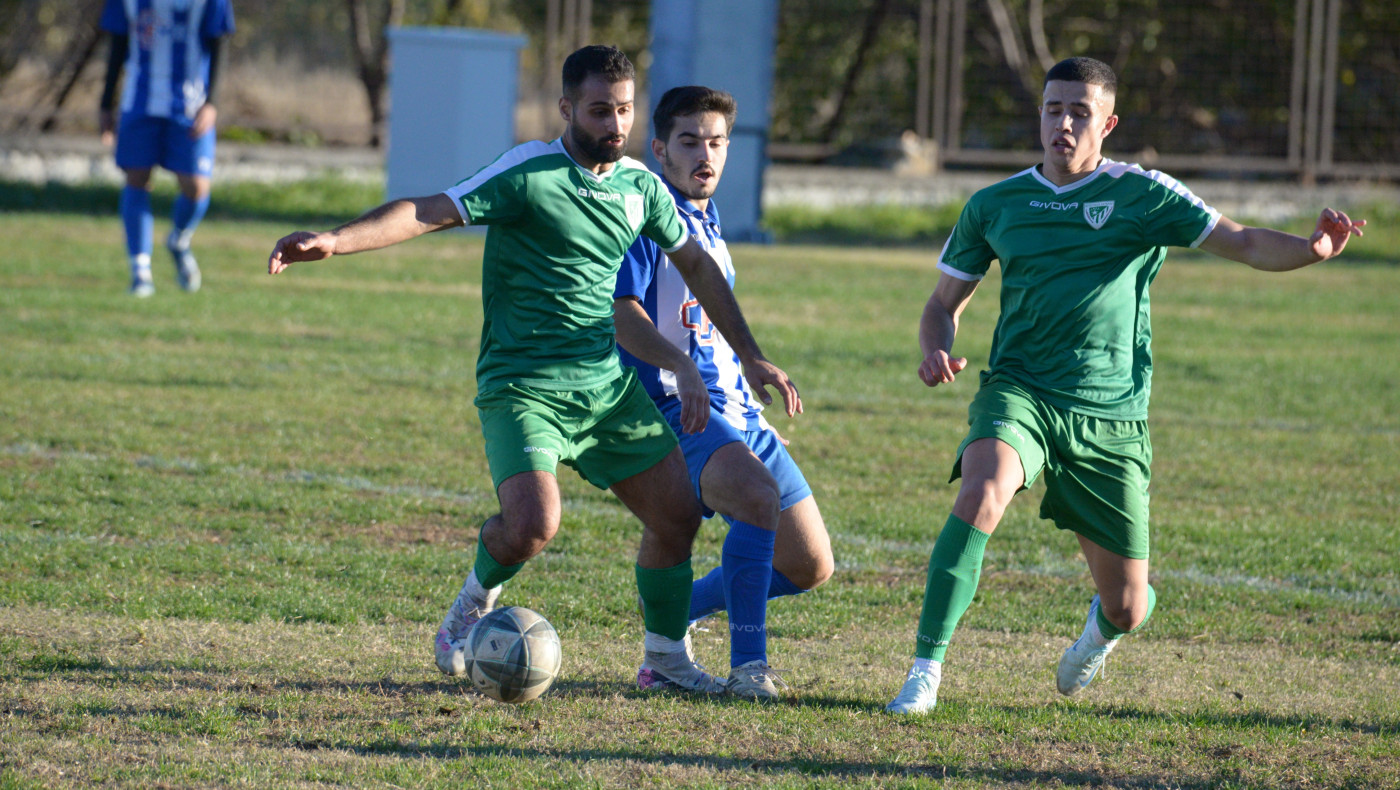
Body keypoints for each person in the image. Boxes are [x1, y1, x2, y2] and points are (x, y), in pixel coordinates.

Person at [266, 46, 801, 695]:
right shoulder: (530, 172)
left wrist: (748, 352)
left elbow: (696, 265)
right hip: (524, 387)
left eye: (624, 110)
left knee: (678, 516)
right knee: (532, 526)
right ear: (567, 108)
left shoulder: (640, 186)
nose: (614, 123)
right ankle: (470, 606)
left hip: (604, 388)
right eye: (600, 109)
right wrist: (336, 239)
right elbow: (430, 209)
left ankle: (664, 658)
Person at [885, 56, 1365, 715]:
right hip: (1020, 391)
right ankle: (924, 673)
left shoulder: (1144, 195)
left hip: (1111, 414)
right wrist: (937, 348)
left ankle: (1102, 628)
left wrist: (1312, 249)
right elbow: (942, 303)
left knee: (1130, 605)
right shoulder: (994, 205)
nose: (1064, 123)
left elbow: (1246, 242)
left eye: (1080, 112)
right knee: (983, 491)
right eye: (1054, 109)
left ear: (1108, 124)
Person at [612, 86, 835, 700]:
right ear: (659, 150)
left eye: (715, 142)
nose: (703, 154)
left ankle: (675, 615)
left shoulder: (709, 226)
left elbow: (703, 330)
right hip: (673, 406)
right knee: (758, 499)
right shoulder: (646, 219)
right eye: (688, 142)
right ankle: (748, 670)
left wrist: (747, 380)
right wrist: (680, 369)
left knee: (809, 564)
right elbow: (622, 314)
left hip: (735, 412)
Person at [99, 0, 236, 297]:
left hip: (190, 105)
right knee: (137, 178)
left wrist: (212, 102)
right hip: (139, 102)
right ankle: (140, 272)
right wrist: (105, 103)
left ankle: (179, 240)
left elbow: (219, 42)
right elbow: (118, 43)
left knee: (196, 187)